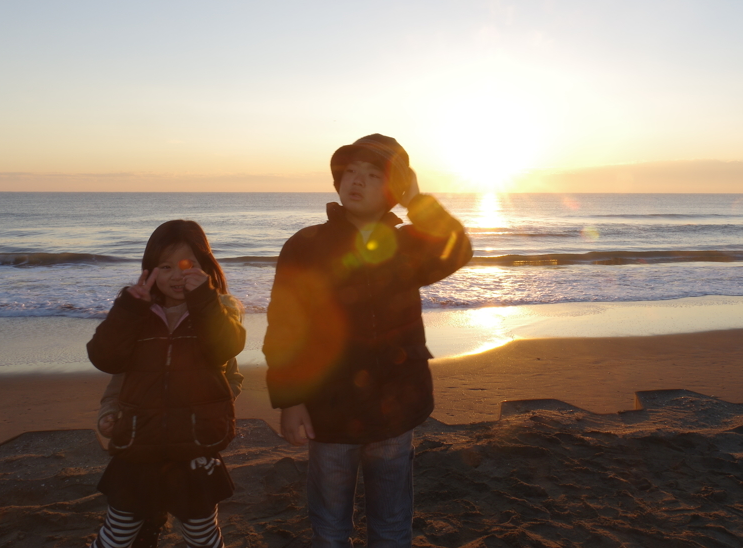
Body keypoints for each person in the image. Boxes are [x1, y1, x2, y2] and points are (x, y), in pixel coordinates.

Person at [263, 134, 472, 547]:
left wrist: (419, 202)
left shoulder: (408, 244)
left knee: (392, 523)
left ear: (393, 188)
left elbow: (458, 249)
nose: (355, 182)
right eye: (350, 173)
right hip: (329, 409)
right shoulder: (306, 245)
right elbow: (284, 326)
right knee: (330, 526)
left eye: (373, 175)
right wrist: (290, 398)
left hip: (395, 408)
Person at [87, 220, 245, 548]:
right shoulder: (137, 313)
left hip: (195, 446)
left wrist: (204, 300)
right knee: (118, 533)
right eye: (166, 266)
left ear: (206, 267)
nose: (177, 275)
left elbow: (227, 347)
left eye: (188, 265)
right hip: (138, 444)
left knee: (202, 536)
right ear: (150, 270)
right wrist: (129, 307)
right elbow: (106, 358)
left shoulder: (218, 310)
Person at [95, 359, 245, 548]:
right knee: (118, 533)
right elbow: (119, 384)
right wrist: (109, 413)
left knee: (202, 534)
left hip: (194, 450)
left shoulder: (212, 334)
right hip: (139, 450)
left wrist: (217, 402)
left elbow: (233, 377)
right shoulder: (137, 333)